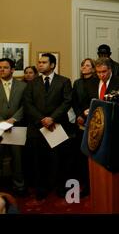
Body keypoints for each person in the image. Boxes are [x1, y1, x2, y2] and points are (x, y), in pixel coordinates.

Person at [23, 53, 73, 201]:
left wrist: (52, 118)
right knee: (39, 160)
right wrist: (41, 119)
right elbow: (27, 103)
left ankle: (59, 187)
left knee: (58, 159)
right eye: (39, 62)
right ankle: (41, 188)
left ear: (52, 65)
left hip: (56, 125)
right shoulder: (32, 82)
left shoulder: (64, 81)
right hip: (37, 128)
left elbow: (67, 101)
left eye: (44, 62)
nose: (40, 65)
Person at [0, 58, 28, 197]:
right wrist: (3, 122)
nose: (2, 70)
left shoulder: (22, 86)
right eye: (0, 67)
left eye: (5, 67)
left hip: (17, 127)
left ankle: (19, 186)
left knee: (18, 159)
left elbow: (26, 105)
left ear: (12, 69)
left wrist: (13, 119)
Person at [71, 58, 96, 197]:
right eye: (83, 65)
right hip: (80, 121)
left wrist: (86, 115)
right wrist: (79, 115)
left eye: (88, 65)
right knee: (80, 153)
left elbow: (95, 100)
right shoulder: (77, 83)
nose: (84, 67)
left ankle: (92, 183)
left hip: (92, 120)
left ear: (93, 69)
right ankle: (83, 183)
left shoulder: (97, 81)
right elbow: (74, 101)